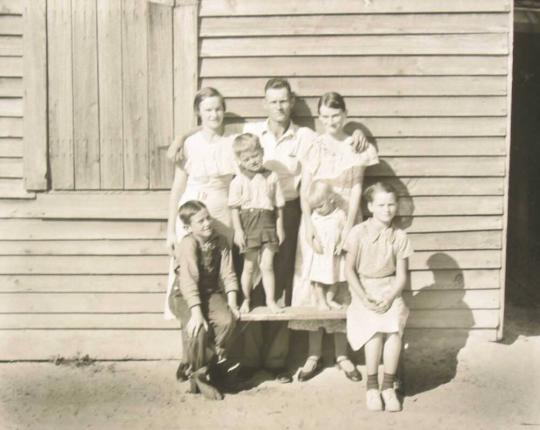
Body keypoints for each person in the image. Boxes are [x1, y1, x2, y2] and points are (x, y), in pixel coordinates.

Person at [167, 79, 370, 383]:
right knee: (250, 279)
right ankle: (248, 359)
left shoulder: (305, 136)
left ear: (291, 102)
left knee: (282, 283)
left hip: (285, 213)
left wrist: (359, 133)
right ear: (264, 104)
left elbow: (335, 137)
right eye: (273, 101)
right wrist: (182, 136)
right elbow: (211, 127)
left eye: (284, 101)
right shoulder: (251, 131)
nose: (279, 107)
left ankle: (276, 361)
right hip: (247, 215)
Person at [290, 92, 379, 382]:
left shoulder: (355, 144)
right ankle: (313, 354)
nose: (331, 121)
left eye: (336, 115)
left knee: (342, 282)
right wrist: (309, 226)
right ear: (319, 117)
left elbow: (355, 188)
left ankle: (342, 354)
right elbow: (305, 190)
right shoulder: (313, 145)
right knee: (316, 282)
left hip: (346, 220)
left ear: (345, 114)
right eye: (325, 116)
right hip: (316, 221)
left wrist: (350, 227)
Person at [344, 182, 413, 412]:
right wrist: (363, 298)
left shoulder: (399, 236)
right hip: (363, 289)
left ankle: (388, 386)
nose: (387, 209)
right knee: (374, 331)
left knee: (393, 330)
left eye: (391, 204)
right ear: (370, 206)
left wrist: (390, 297)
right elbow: (349, 271)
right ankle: (372, 386)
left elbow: (401, 277)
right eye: (381, 205)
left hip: (389, 289)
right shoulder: (358, 233)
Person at [168, 200, 240, 400]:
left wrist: (233, 303)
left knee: (227, 321)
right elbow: (188, 281)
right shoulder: (187, 244)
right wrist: (197, 314)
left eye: (208, 218)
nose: (207, 223)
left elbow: (228, 274)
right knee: (198, 329)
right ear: (188, 226)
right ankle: (198, 377)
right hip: (183, 295)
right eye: (200, 221)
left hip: (210, 293)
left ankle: (204, 367)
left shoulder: (221, 241)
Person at [229, 133, 286, 314]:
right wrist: (238, 230)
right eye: (247, 159)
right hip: (249, 224)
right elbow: (234, 208)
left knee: (267, 265)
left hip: (268, 223)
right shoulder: (238, 180)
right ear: (239, 161)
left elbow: (278, 206)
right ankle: (246, 300)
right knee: (249, 266)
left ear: (262, 152)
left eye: (255, 156)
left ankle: (270, 300)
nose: (252, 161)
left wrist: (280, 227)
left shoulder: (272, 176)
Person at [305, 181, 347, 311]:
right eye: (314, 207)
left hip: (335, 253)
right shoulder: (315, 216)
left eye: (320, 206)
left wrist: (341, 244)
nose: (317, 210)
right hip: (321, 254)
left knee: (336, 278)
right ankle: (321, 301)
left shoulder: (339, 214)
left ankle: (330, 299)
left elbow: (345, 231)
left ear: (331, 199)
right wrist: (314, 245)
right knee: (319, 280)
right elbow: (310, 236)